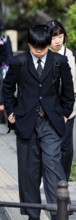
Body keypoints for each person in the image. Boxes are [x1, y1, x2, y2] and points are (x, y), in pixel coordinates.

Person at [3, 24, 74, 220]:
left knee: (54, 167)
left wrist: (65, 113)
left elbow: (68, 91)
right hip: (26, 122)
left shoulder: (59, 61)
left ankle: (58, 213)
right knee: (29, 172)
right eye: (36, 47)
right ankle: (32, 214)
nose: (40, 51)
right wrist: (10, 112)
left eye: (43, 47)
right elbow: (7, 88)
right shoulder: (19, 61)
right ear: (29, 44)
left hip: (52, 122)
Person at [46, 19, 76, 181]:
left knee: (65, 144)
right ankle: (48, 176)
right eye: (53, 37)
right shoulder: (41, 55)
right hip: (45, 107)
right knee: (46, 143)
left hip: (68, 107)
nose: (57, 40)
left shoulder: (72, 56)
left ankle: (62, 179)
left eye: (60, 36)